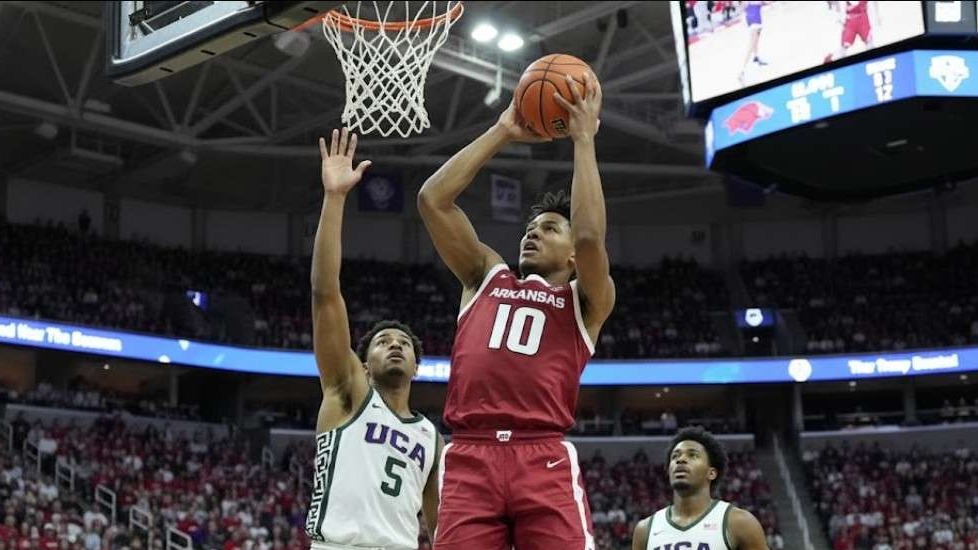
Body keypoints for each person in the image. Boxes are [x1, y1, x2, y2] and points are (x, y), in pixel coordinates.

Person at [418, 72, 616, 550]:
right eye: (531, 227)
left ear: (572, 256)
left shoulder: (586, 300)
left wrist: (583, 141)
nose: (533, 233)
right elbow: (433, 200)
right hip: (469, 453)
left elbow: (590, 237)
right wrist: (503, 129)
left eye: (549, 228)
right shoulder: (485, 274)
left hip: (542, 454)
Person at [304, 128, 443, 549]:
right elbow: (325, 294)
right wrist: (335, 198)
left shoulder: (432, 436)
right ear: (363, 364)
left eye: (403, 343)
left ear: (418, 367)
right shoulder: (349, 391)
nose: (395, 344)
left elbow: (438, 526)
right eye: (383, 341)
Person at [631, 427, 769, 550]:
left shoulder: (738, 522)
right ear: (668, 471)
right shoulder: (645, 530)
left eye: (692, 455)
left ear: (711, 473)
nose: (681, 460)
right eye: (675, 456)